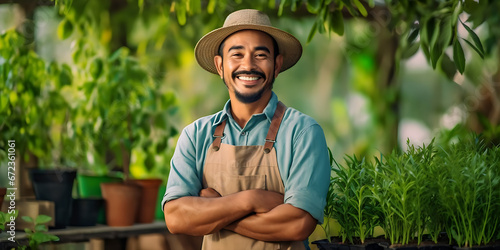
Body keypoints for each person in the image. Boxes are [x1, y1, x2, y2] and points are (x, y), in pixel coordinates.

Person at [162, 9, 330, 250]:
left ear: (277, 64)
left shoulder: (303, 133)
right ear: (220, 65)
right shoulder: (195, 135)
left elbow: (298, 223)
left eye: (260, 55)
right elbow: (176, 217)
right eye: (237, 54)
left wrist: (217, 213)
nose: (248, 65)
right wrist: (251, 200)